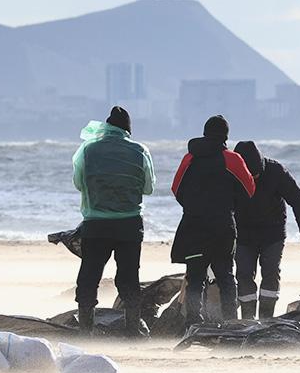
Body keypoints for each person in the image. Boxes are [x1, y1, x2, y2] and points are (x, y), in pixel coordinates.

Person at [72, 107, 155, 336]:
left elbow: (79, 183)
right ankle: (132, 331)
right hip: (129, 225)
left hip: (96, 224)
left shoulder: (88, 149)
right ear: (128, 130)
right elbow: (148, 187)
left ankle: (85, 331)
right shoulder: (140, 151)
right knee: (129, 277)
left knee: (89, 276)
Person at [171, 115, 255, 325]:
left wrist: (193, 207)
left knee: (195, 276)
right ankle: (230, 322)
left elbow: (176, 188)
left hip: (193, 225)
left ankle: (193, 321)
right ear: (225, 135)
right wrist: (231, 205)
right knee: (226, 275)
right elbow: (249, 189)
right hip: (222, 226)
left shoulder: (190, 157)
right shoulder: (232, 159)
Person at [232, 141, 300, 319]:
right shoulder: (231, 173)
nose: (254, 179)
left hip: (272, 234)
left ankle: (267, 318)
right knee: (244, 275)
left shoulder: (276, 171)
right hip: (243, 235)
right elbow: (219, 205)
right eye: (249, 176)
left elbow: (298, 200)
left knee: (271, 273)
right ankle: (247, 319)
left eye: (257, 175)